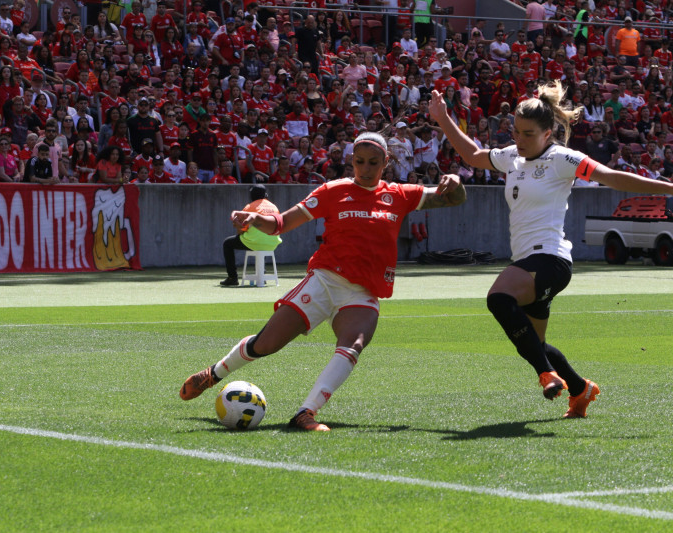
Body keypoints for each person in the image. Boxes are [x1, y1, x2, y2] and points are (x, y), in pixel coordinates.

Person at [179, 132, 467, 431]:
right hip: (325, 281)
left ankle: (306, 412)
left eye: (373, 163)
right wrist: (254, 220)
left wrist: (456, 182)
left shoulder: (401, 194)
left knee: (354, 344)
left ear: (386, 162)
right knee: (266, 344)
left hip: (362, 292)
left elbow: (454, 198)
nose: (366, 169)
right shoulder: (333, 190)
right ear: (351, 161)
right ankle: (213, 374)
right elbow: (282, 223)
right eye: (359, 162)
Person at [428, 80, 673, 419]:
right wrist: (443, 117)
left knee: (499, 298)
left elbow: (612, 177)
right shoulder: (512, 157)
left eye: (528, 134)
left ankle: (546, 375)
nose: (519, 139)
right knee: (534, 344)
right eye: (516, 131)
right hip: (529, 261)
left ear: (548, 133)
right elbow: (472, 155)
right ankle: (580, 388)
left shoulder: (562, 159)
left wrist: (668, 188)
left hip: (550, 259)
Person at [220, 185, 281, 287]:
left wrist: (238, 227)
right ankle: (261, 274)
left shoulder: (249, 207)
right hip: (273, 242)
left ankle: (232, 278)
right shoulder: (274, 207)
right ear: (265, 195)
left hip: (254, 242)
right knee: (261, 242)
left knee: (227, 243)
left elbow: (241, 230)